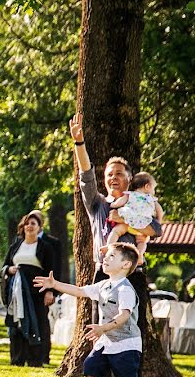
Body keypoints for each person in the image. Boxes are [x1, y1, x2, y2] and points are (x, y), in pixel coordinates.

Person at [69, 113, 162, 339]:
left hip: (133, 273)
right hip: (104, 273)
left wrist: (125, 220)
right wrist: (79, 142)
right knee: (98, 333)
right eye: (109, 174)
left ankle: (131, 375)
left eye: (119, 174)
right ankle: (100, 374)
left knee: (133, 331)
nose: (113, 178)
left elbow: (155, 230)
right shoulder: (97, 204)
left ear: (130, 179)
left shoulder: (142, 205)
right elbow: (86, 174)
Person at [34, 243, 147, 377]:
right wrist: (55, 285)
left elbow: (124, 315)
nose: (106, 259)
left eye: (112, 256)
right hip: (107, 341)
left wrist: (103, 328)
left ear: (126, 264)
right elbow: (79, 291)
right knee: (90, 367)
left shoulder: (125, 289)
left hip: (126, 343)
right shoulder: (103, 285)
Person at [1, 212, 57, 367]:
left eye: (33, 224)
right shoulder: (16, 245)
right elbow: (5, 266)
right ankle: (17, 358)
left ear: (39, 228)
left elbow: (51, 270)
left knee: (38, 323)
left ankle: (37, 359)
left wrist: (50, 291)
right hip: (17, 292)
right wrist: (9, 269)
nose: (30, 226)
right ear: (23, 227)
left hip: (37, 291)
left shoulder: (45, 247)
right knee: (16, 324)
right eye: (27, 223)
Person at [104, 172, 163, 265]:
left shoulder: (130, 194)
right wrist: (158, 222)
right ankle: (139, 255)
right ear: (147, 186)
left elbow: (121, 201)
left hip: (129, 220)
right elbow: (160, 211)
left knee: (116, 231)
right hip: (143, 223)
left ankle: (109, 246)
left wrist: (113, 205)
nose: (154, 191)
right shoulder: (151, 199)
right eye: (154, 188)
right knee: (142, 242)